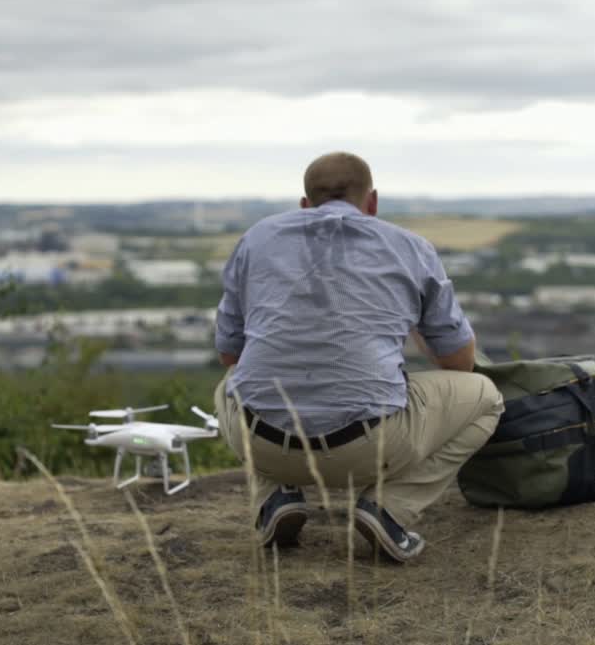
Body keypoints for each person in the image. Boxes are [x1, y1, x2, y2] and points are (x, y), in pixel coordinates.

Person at [212, 151, 504, 562]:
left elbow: (229, 353)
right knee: (486, 396)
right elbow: (459, 365)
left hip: (266, 444)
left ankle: (275, 496)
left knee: (231, 384)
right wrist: (413, 324)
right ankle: (389, 508)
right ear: (372, 202)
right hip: (371, 447)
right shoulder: (411, 248)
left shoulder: (257, 239)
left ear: (304, 205)